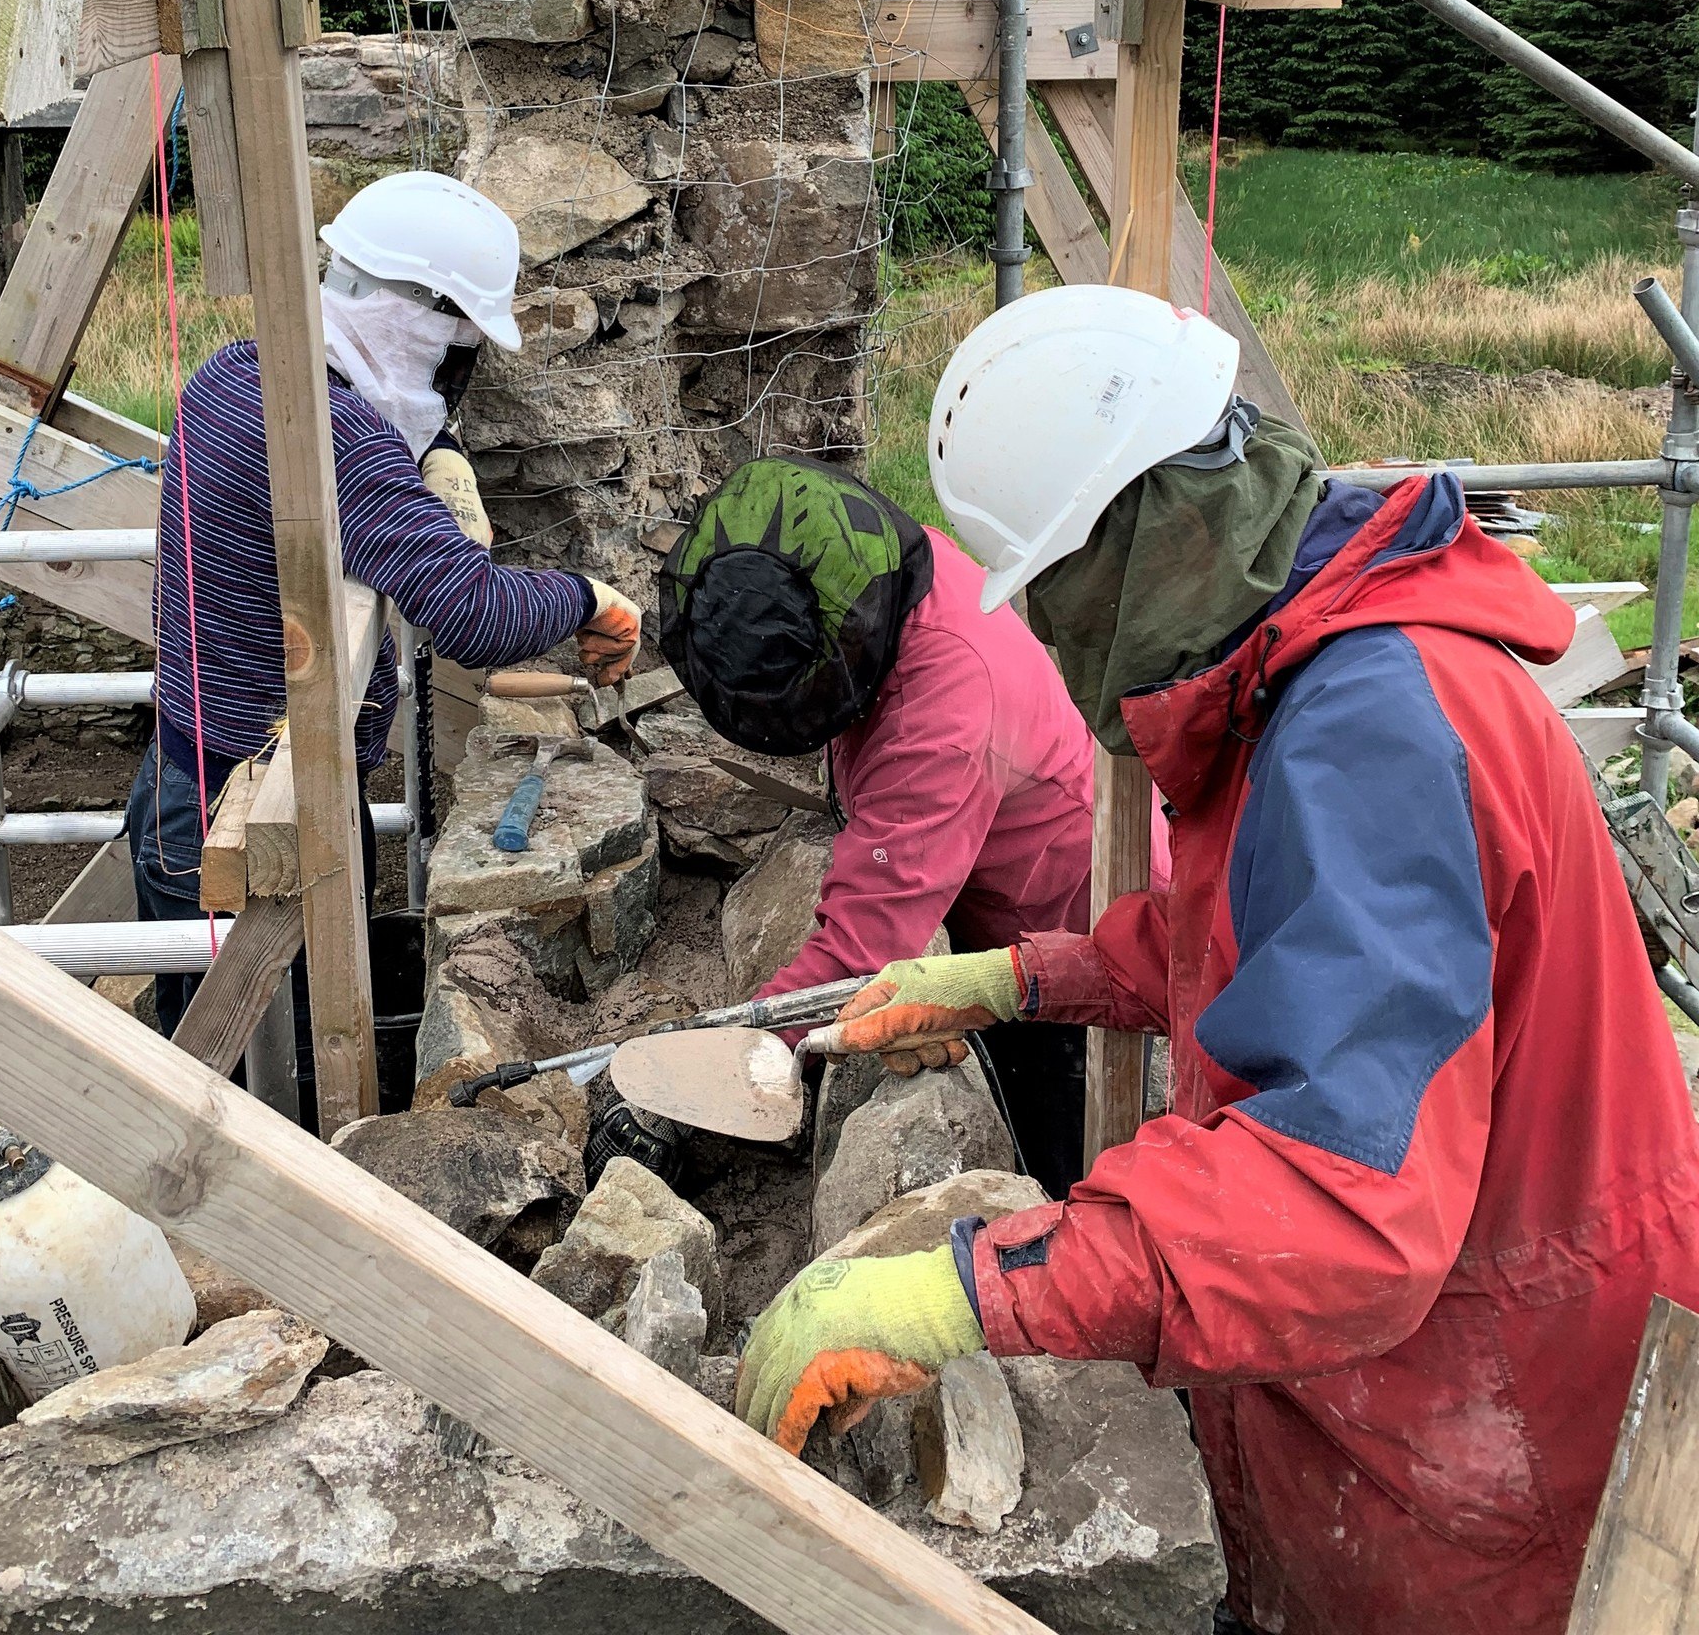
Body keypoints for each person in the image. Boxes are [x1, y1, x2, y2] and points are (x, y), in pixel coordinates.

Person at [736, 284, 1699, 1635]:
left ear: (1135, 539)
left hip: (1485, 1414)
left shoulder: (1368, 734)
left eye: (1059, 596)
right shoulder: (1320, 663)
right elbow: (1274, 942)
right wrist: (1019, 978)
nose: (1060, 648)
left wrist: (969, 1286)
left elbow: (1341, 1208)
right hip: (1449, 1358)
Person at [127, 170, 642, 1043]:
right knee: (244, 1093)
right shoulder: (336, 442)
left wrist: (440, 457)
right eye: (459, 344)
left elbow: (391, 422)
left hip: (198, 779)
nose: (457, 369)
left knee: (267, 1041)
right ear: (421, 319)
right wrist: (589, 596)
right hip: (242, 822)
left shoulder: (241, 373)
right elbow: (475, 614)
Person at [657, 456, 1166, 1196]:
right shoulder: (878, 572)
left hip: (1083, 922)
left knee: (1059, 1152)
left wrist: (719, 1058)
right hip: (1014, 868)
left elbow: (861, 949)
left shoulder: (942, 723)